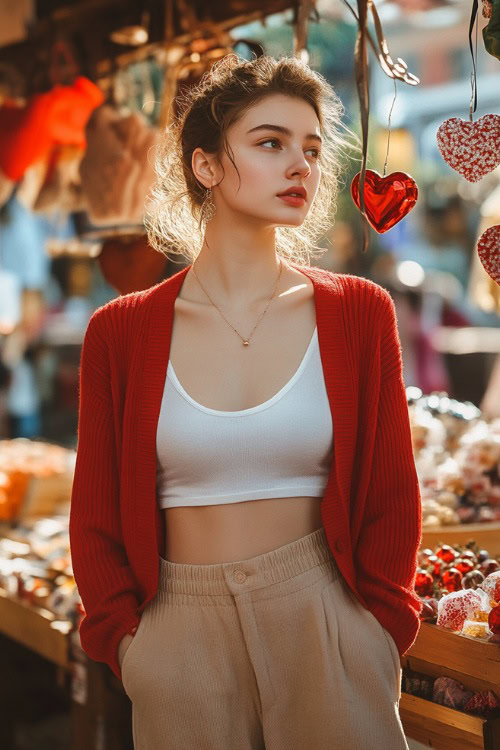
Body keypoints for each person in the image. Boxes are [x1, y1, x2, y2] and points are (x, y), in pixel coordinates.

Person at [69, 54, 422, 750]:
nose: (301, 166)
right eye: (271, 143)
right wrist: (135, 652)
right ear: (205, 165)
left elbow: (391, 494)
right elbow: (96, 515)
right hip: (178, 642)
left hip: (328, 622)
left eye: (312, 149)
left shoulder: (359, 313)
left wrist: (378, 633)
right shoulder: (119, 333)